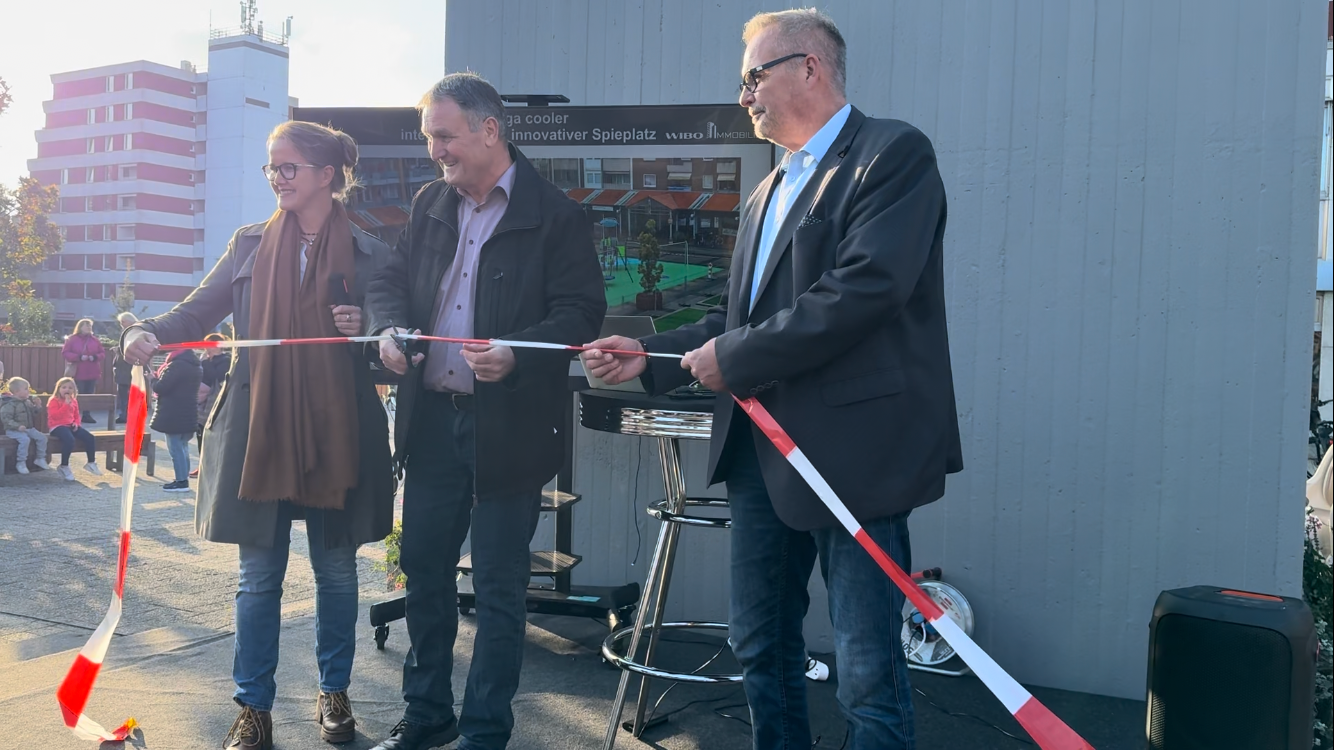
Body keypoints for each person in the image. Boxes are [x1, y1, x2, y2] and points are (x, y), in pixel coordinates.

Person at [582, 9, 962, 750]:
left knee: (865, 669)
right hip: (762, 454)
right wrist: (649, 355)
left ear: (810, 67)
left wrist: (737, 358)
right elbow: (737, 317)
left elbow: (865, 290)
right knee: (760, 644)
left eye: (754, 76)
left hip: (854, 458)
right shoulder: (768, 189)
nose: (744, 96)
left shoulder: (891, 154)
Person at [121, 120, 394, 750]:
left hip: (339, 430)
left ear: (326, 174)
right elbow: (197, 310)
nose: (276, 177)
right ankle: (253, 709)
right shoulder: (247, 243)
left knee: (336, 572)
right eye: (272, 167)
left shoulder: (373, 252)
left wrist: (366, 325)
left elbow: (393, 336)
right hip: (258, 426)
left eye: (288, 166)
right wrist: (145, 330)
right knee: (258, 579)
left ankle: (334, 694)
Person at [364, 73, 606, 750]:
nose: (434, 151)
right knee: (424, 571)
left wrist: (518, 354)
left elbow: (581, 313)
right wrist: (387, 328)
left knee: (499, 587)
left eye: (444, 136)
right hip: (430, 424)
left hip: (510, 428)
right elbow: (388, 280)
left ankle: (484, 732)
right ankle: (427, 715)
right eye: (429, 138)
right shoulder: (429, 203)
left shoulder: (556, 214)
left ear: (489, 129)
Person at [151, 347, 202, 492]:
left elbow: (161, 387)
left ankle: (181, 482)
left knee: (176, 449)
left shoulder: (176, 365)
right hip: (189, 412)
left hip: (174, 413)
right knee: (183, 447)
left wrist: (152, 379)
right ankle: (183, 478)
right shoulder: (195, 365)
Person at [194, 333, 233, 478]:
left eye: (208, 344)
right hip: (202, 400)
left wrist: (206, 362)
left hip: (215, 400)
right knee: (200, 433)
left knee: (212, 434)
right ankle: (201, 464)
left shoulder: (225, 360)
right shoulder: (205, 359)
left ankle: (210, 466)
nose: (206, 348)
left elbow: (216, 376)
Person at [46, 377, 100, 481]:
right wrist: (66, 405)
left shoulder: (74, 401)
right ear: (58, 389)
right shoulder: (54, 400)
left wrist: (76, 423)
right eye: (64, 387)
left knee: (90, 437)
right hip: (57, 426)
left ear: (74, 390)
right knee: (70, 440)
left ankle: (91, 462)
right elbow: (55, 416)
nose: (67, 390)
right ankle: (64, 465)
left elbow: (76, 415)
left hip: (70, 425)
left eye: (70, 388)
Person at [1, 377, 51, 474]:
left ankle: (40, 458)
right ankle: (21, 462)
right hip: (13, 430)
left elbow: (33, 413)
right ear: (16, 392)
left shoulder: (27, 402)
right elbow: (6, 419)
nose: (28, 391)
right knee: (25, 440)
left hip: (28, 428)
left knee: (42, 438)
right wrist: (17, 426)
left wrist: (37, 406)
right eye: (26, 389)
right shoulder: (10, 404)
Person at [62, 318, 105, 424]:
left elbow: (102, 353)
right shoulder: (72, 339)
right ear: (80, 327)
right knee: (77, 394)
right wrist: (79, 357)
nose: (89, 328)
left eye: (90, 326)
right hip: (78, 372)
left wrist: (94, 357)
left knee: (89, 394)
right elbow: (65, 353)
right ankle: (73, 415)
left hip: (92, 371)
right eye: (86, 326)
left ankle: (86, 415)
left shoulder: (94, 340)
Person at [112, 312, 138, 424]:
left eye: (123, 321)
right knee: (126, 393)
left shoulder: (132, 332)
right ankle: (126, 415)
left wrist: (118, 350)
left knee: (125, 394)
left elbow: (129, 348)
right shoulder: (134, 331)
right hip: (126, 367)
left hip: (127, 367)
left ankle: (125, 415)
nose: (121, 324)